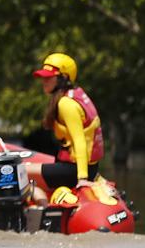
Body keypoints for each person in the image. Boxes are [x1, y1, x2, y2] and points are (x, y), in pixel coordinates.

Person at [25, 52, 105, 193]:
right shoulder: (77, 94)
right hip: (83, 167)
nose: (44, 81)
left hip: (74, 171)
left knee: (18, 171)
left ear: (64, 78)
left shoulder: (66, 103)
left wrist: (82, 178)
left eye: (49, 78)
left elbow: (79, 140)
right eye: (43, 78)